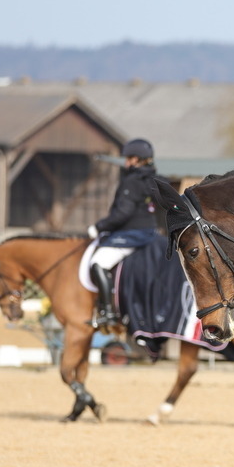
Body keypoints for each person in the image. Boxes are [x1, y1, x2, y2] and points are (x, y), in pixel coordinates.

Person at [87, 138, 159, 332]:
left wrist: (100, 227)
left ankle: (108, 312)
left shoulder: (132, 181)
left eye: (128, 159)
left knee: (98, 263)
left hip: (131, 233)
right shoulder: (154, 179)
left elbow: (123, 213)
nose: (126, 162)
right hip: (150, 232)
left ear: (137, 160)